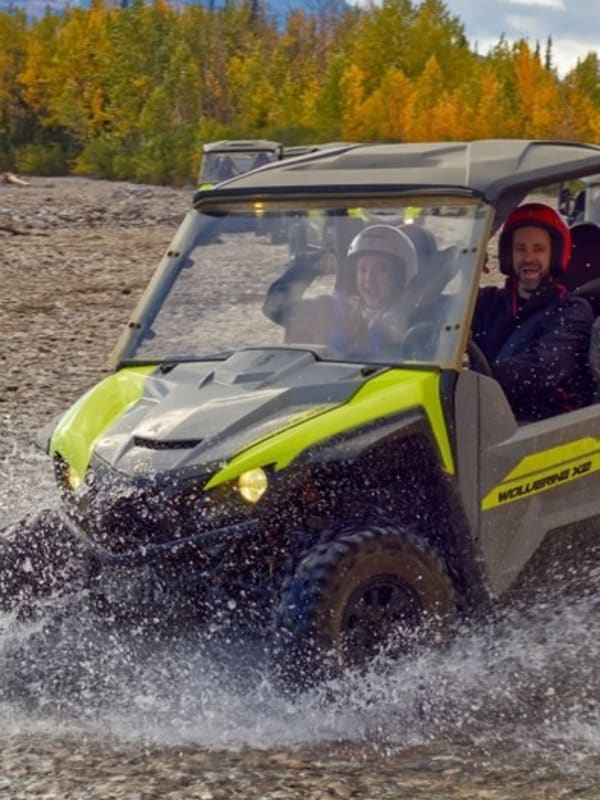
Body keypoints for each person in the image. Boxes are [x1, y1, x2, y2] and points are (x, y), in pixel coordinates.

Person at [471, 202, 596, 422]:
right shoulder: (487, 302)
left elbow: (539, 369)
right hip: (484, 423)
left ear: (555, 255)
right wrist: (460, 268)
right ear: (508, 255)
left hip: (540, 434)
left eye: (539, 249)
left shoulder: (572, 311)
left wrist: (466, 381)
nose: (529, 258)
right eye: (521, 249)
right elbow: (435, 316)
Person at [263, 223, 417, 357]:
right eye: (362, 270)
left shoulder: (413, 325)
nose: (369, 279)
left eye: (381, 270)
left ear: (400, 275)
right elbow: (275, 308)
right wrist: (311, 265)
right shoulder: (329, 309)